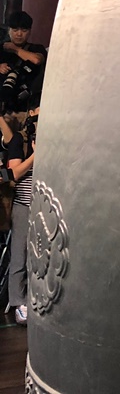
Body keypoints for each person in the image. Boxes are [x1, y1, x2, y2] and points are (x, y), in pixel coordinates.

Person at [4, 95, 38, 325]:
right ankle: (19, 303)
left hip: (45, 205)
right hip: (24, 204)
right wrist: (36, 155)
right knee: (20, 255)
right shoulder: (20, 139)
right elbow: (14, 173)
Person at [0, 11, 46, 113]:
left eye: (24, 30)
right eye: (15, 30)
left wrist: (15, 49)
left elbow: (37, 60)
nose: (19, 34)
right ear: (9, 30)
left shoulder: (36, 48)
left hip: (27, 106)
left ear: (30, 31)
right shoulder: (2, 49)